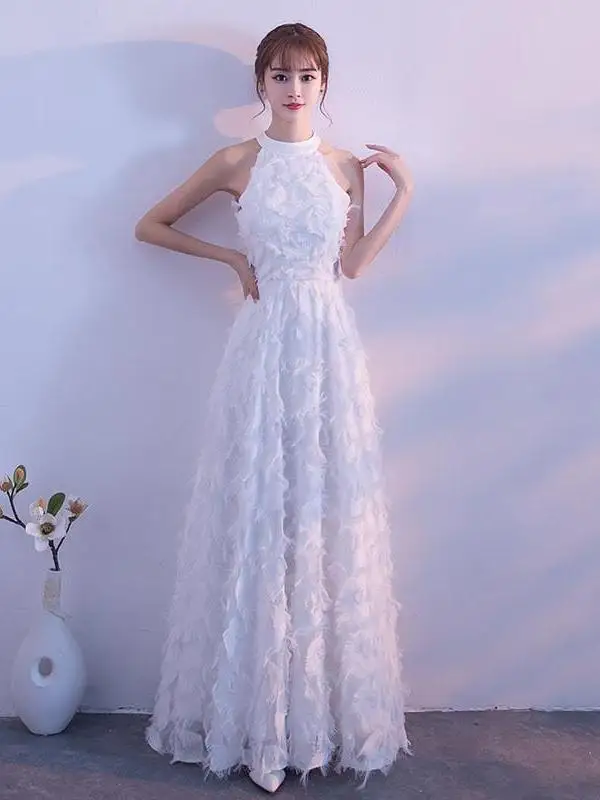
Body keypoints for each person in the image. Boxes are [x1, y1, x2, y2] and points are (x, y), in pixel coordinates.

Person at [135, 21, 414, 794]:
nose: (294, 89)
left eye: (308, 76)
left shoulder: (342, 166)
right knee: (261, 509)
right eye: (281, 75)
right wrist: (229, 255)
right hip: (262, 348)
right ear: (260, 83)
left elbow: (353, 264)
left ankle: (318, 723)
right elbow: (150, 224)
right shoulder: (236, 162)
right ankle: (258, 722)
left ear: (324, 84)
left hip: (327, 350)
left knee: (323, 514)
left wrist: (404, 192)